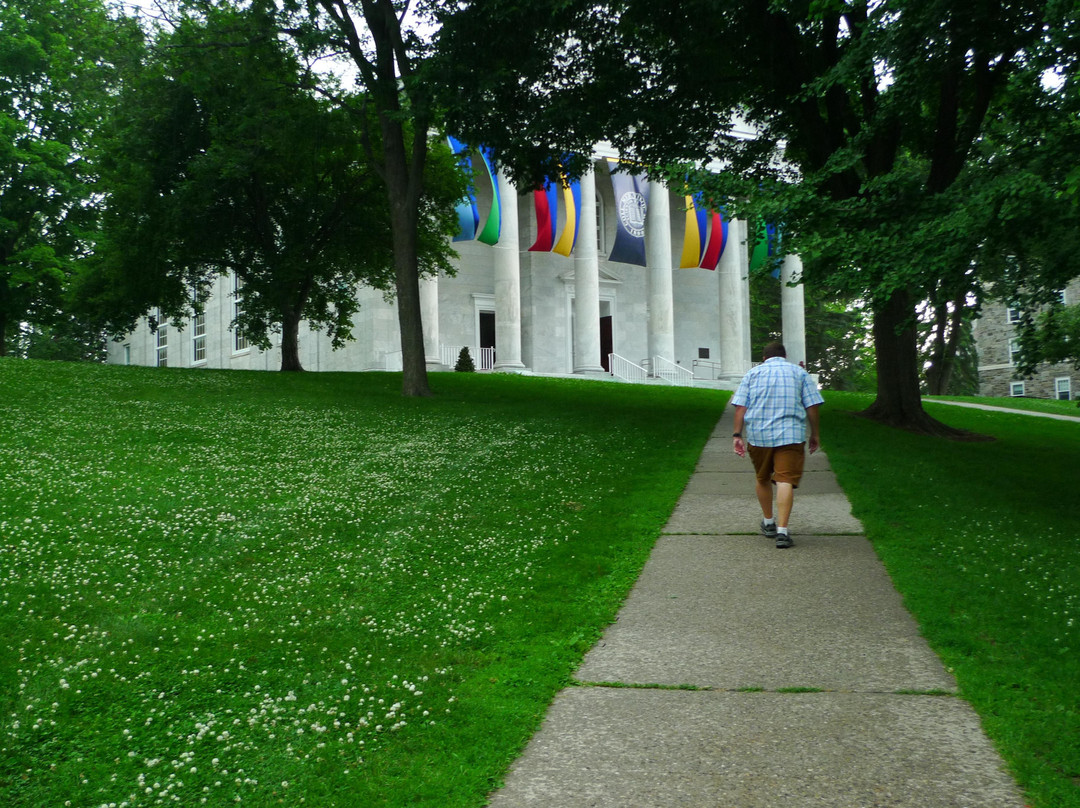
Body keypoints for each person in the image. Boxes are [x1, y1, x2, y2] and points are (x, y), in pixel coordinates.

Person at [731, 342, 824, 549]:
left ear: (764, 357)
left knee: (763, 478)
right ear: (785, 356)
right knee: (785, 480)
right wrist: (815, 433)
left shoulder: (752, 374)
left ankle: (768, 522)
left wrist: (737, 434)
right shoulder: (799, 373)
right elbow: (812, 405)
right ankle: (783, 532)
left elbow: (740, 407)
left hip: (759, 436)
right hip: (791, 435)